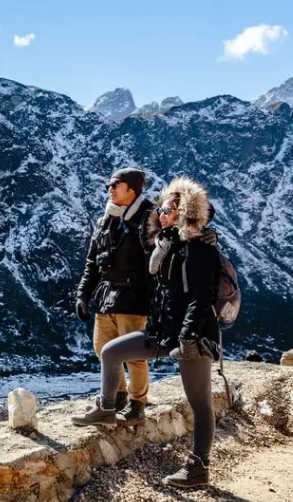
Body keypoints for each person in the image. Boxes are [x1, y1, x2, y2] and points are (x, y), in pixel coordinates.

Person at [72, 176, 221, 488]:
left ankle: (199, 466)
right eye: (161, 210)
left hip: (192, 337)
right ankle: (107, 407)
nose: (160, 214)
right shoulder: (165, 248)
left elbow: (201, 298)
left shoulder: (200, 249)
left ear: (184, 214)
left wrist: (188, 337)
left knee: (200, 402)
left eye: (167, 210)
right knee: (111, 352)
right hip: (164, 333)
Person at [75, 168, 152, 424]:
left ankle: (138, 403)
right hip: (106, 295)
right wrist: (83, 294)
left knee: (133, 355)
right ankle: (117, 395)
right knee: (102, 348)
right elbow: (92, 263)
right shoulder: (105, 220)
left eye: (115, 184)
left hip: (134, 297)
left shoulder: (149, 217)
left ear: (131, 189)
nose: (109, 189)